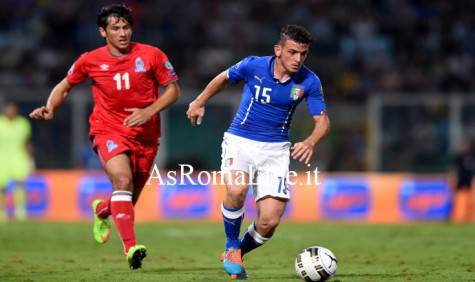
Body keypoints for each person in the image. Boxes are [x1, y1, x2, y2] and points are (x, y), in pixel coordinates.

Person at [30, 4, 180, 269]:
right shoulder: (90, 60)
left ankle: (102, 210)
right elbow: (65, 86)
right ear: (103, 32)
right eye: (115, 28)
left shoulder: (152, 55)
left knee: (128, 199)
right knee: (122, 181)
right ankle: (131, 248)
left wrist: (149, 111)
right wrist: (50, 107)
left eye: (126, 27)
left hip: (146, 135)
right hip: (108, 129)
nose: (122, 33)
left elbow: (173, 90)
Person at [187, 24, 330, 279]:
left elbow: (323, 121)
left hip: (275, 151)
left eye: (303, 54)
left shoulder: (309, 80)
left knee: (269, 223)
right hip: (240, 141)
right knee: (237, 190)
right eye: (292, 52)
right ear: (278, 50)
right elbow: (223, 77)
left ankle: (238, 252)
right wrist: (199, 101)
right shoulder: (253, 65)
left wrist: (310, 141)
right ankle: (232, 245)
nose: (298, 59)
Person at [0, 101, 33, 222]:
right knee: (2, 187)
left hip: (19, 157)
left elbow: (27, 142)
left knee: (20, 185)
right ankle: (2, 212)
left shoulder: (23, 123)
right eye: (8, 109)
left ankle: (20, 211)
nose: (11, 111)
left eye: (13, 109)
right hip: (2, 159)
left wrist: (30, 159)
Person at [450, 137, 475, 223]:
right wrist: (454, 179)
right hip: (461, 182)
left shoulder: (473, 155)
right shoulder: (459, 156)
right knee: (460, 202)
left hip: (471, 182)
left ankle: (471, 219)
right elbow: (455, 170)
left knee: (472, 203)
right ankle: (459, 219)